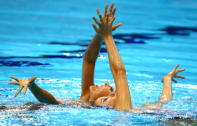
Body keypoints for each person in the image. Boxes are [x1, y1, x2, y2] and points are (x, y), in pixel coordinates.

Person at [8, 4, 185, 113]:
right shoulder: (93, 102)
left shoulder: (123, 108)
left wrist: (107, 36)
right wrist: (100, 35)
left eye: (107, 92)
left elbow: (119, 72)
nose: (107, 84)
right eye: (109, 88)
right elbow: (89, 62)